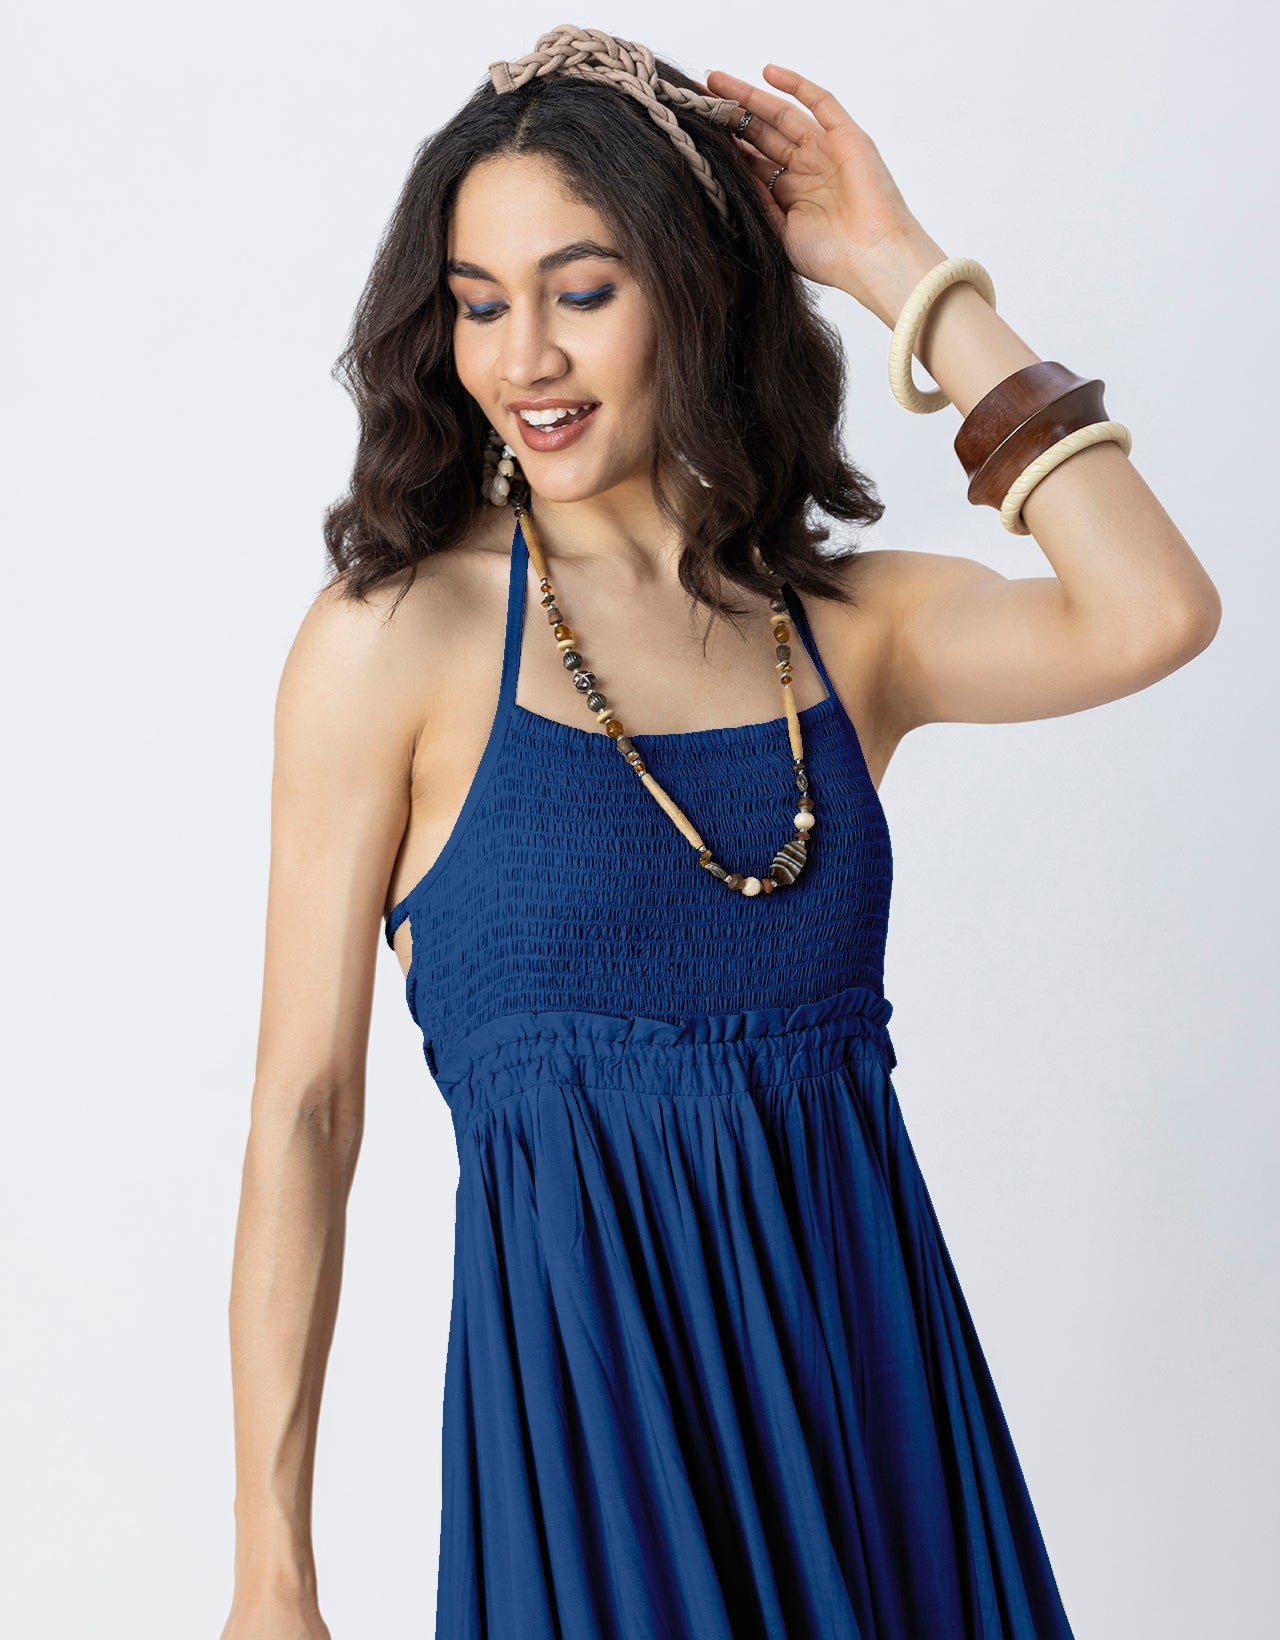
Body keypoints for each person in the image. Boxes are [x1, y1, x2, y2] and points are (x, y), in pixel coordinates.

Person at [219, 25, 1221, 1640]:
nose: (525, 358)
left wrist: (901, 271)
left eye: (582, 291)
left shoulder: (844, 631)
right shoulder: (390, 644)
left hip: (880, 1433)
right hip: (593, 1469)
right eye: (480, 304)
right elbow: (305, 1112)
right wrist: (274, 1572)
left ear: (697, 290)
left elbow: (1153, 611)